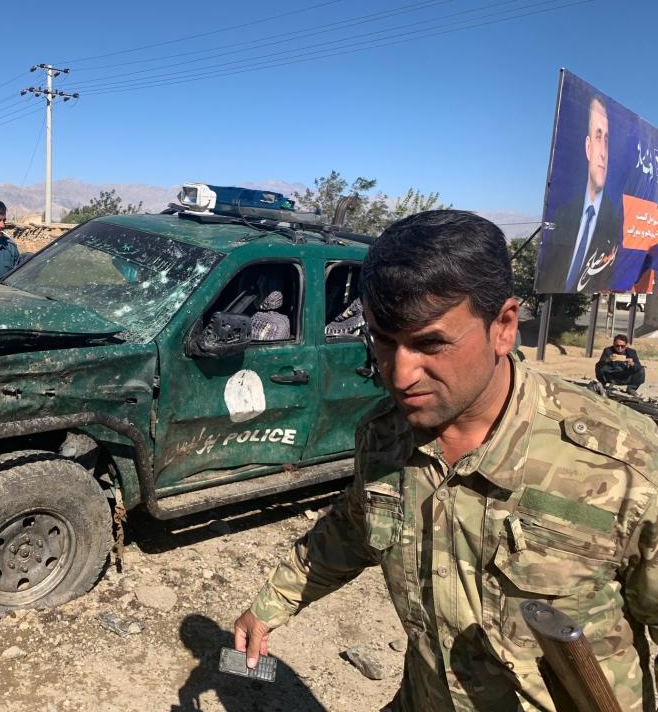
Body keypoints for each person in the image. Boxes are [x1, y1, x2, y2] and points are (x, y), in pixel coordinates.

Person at [234, 210, 658, 711]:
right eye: (383, 340)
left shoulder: (623, 464)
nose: (401, 373)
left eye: (430, 343)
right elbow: (353, 526)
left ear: (502, 327)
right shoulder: (384, 435)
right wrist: (269, 607)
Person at [536, 95, 623, 293]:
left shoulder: (615, 221)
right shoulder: (563, 214)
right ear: (588, 146)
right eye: (598, 137)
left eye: (607, 141)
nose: (603, 152)